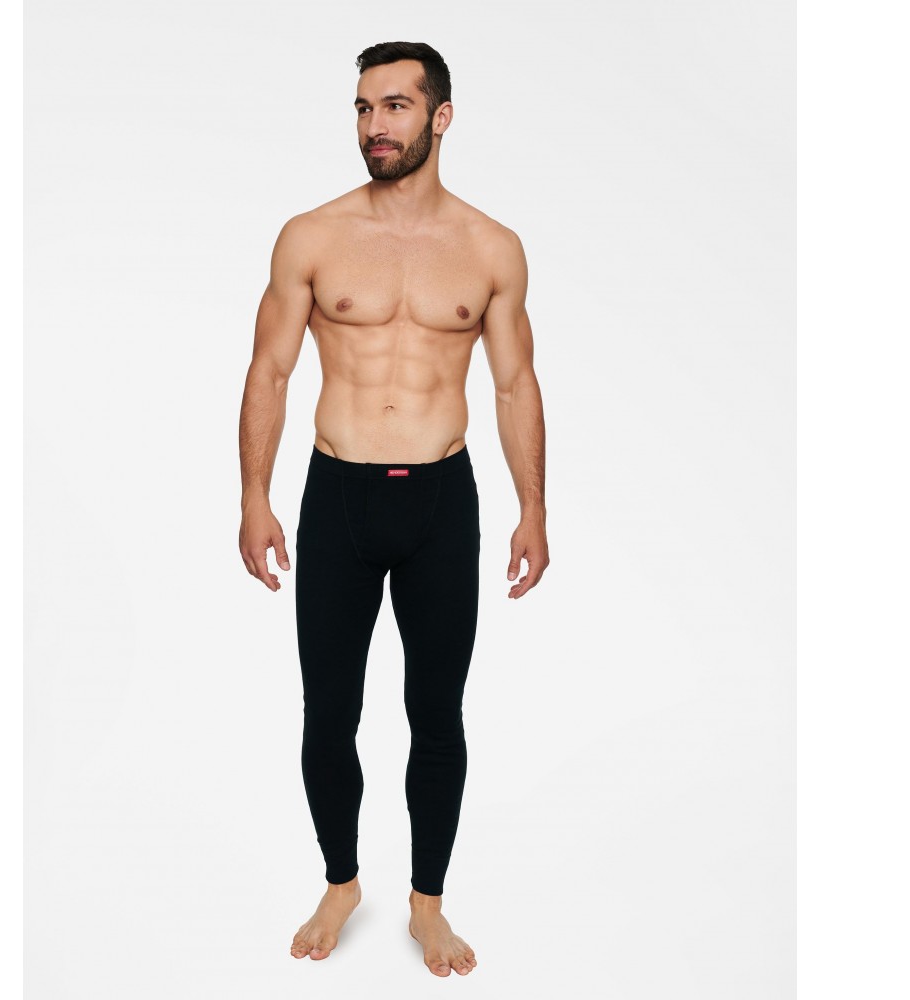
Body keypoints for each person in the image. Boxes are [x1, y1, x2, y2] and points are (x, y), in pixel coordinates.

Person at [237, 40, 549, 978]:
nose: (376, 126)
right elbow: (270, 371)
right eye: (365, 108)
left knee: (436, 714)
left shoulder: (491, 248)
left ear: (440, 117)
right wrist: (254, 495)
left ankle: (427, 905)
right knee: (328, 711)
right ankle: (341, 883)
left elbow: (515, 384)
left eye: (397, 107)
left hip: (441, 504)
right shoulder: (312, 236)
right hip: (338, 494)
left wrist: (533, 508)